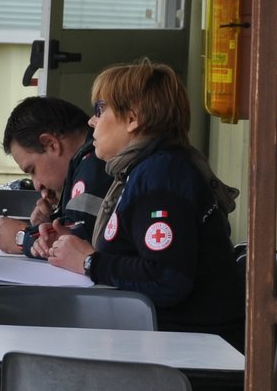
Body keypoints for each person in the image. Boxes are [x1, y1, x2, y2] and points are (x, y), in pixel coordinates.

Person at [44, 59, 246, 350]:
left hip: (191, 350)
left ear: (132, 118)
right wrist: (75, 248)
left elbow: (167, 279)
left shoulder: (161, 176)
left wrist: (90, 262)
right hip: (161, 339)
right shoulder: (147, 168)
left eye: (100, 109)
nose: (92, 121)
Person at [0, 96, 110, 258]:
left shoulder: (94, 161)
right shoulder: (84, 164)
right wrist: (53, 218)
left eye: (33, 169)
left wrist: (21, 237)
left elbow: (76, 241)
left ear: (51, 144)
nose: (37, 185)